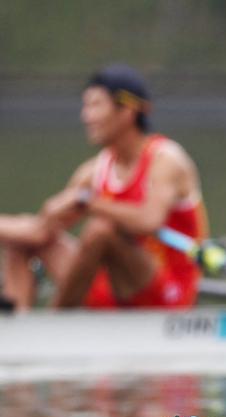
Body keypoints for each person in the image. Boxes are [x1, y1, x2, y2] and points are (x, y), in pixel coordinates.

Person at [0, 63, 208, 311]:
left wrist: (89, 204)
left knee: (101, 230)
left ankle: (53, 322)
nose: (86, 116)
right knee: (22, 242)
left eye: (96, 105)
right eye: (85, 106)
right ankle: (19, 334)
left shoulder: (167, 160)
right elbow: (39, 231)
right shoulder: (93, 172)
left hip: (167, 294)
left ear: (128, 110)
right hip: (112, 291)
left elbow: (149, 221)